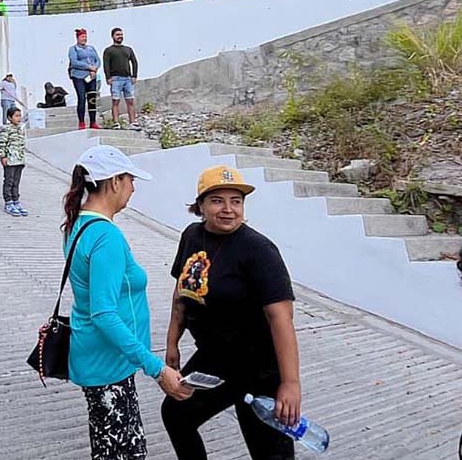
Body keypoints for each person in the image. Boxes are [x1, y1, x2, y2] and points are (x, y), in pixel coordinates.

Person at [161, 166, 301, 460]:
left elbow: (281, 319)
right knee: (176, 413)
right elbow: (182, 293)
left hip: (260, 369)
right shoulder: (191, 236)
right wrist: (172, 342)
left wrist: (290, 383)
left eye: (236, 201)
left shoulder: (259, 250)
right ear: (200, 205)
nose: (228, 209)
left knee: (269, 453)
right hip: (215, 361)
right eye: (217, 201)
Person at [63, 145, 193, 460]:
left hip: (98, 358)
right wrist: (157, 369)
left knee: (113, 450)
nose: (133, 188)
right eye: (131, 180)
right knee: (124, 453)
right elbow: (104, 313)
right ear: (115, 181)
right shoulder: (106, 237)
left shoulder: (78, 224)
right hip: (108, 364)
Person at [103, 28, 139, 127]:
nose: (120, 36)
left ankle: (133, 122)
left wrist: (134, 75)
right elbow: (106, 65)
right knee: (115, 101)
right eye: (118, 35)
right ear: (113, 36)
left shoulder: (128, 49)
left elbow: (134, 62)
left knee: (130, 101)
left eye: (121, 34)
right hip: (115, 79)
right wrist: (108, 77)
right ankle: (116, 122)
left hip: (127, 79)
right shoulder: (108, 50)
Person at [0, 107, 28, 217]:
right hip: (10, 160)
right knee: (9, 181)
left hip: (19, 160)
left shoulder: (21, 129)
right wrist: (3, 156)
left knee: (16, 181)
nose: (19, 118)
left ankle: (16, 201)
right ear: (10, 117)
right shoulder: (6, 129)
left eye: (20, 115)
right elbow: (2, 144)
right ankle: (8, 202)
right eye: (16, 116)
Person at [68, 28, 101, 130]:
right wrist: (88, 67)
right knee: (81, 98)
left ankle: (93, 121)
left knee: (92, 99)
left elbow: (98, 60)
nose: (84, 39)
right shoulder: (73, 49)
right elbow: (74, 62)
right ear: (78, 38)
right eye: (82, 37)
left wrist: (94, 68)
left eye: (85, 37)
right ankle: (81, 121)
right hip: (79, 76)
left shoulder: (91, 48)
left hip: (91, 76)